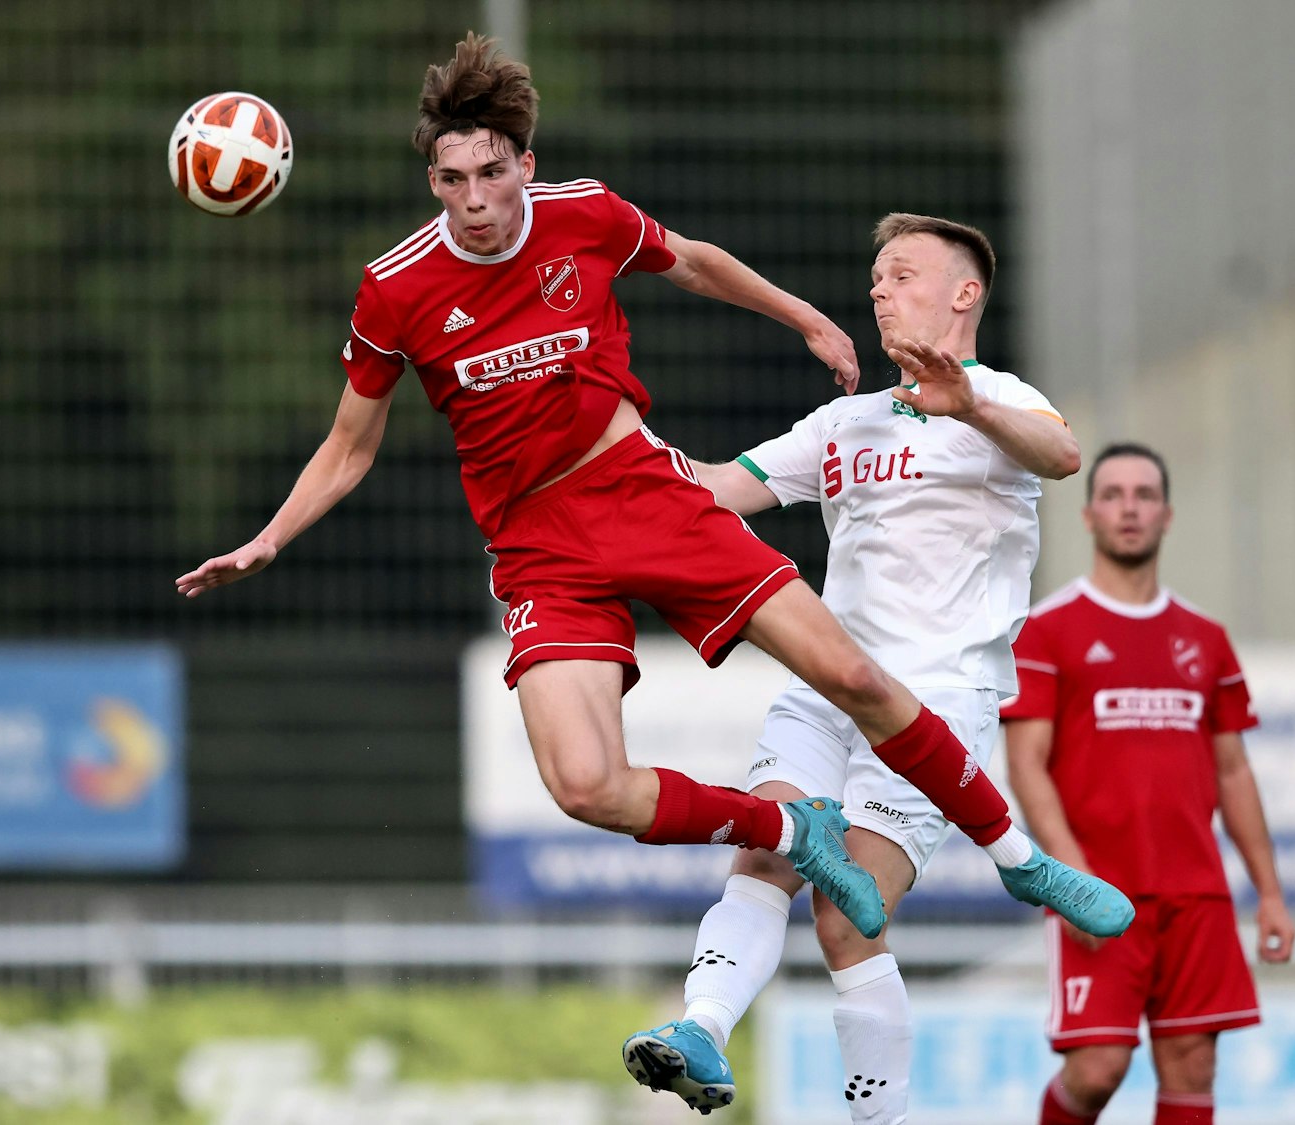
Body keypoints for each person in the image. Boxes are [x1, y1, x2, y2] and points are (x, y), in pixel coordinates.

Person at [175, 32, 1124, 971]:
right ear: (433, 182)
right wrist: (267, 540)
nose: (474, 200)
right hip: (536, 544)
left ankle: (1021, 860)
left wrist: (802, 316)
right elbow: (349, 447)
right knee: (586, 785)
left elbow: (698, 261)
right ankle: (794, 830)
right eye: (452, 180)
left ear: (524, 165)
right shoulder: (395, 288)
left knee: (861, 680)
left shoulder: (582, 215)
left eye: (491, 173)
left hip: (641, 490)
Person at [620, 213, 1113, 1121]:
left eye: (902, 272)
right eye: (876, 274)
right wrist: (608, 450)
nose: (880, 288)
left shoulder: (1002, 398)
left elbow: (1063, 453)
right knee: (766, 852)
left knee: (847, 917)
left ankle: (879, 1115)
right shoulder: (844, 420)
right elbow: (720, 484)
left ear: (964, 292)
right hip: (827, 688)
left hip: (933, 706)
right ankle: (700, 1030)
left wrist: (970, 405)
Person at [1001, 443, 1295, 1125]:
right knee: (1097, 1069)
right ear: (1088, 515)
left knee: (1193, 1065)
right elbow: (1026, 765)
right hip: (1100, 891)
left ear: (1166, 514)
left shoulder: (1206, 638)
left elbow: (1233, 770)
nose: (1128, 507)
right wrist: (1074, 884)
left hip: (1197, 893)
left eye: (1143, 495)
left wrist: (1272, 893)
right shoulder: (1047, 630)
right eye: (1112, 494)